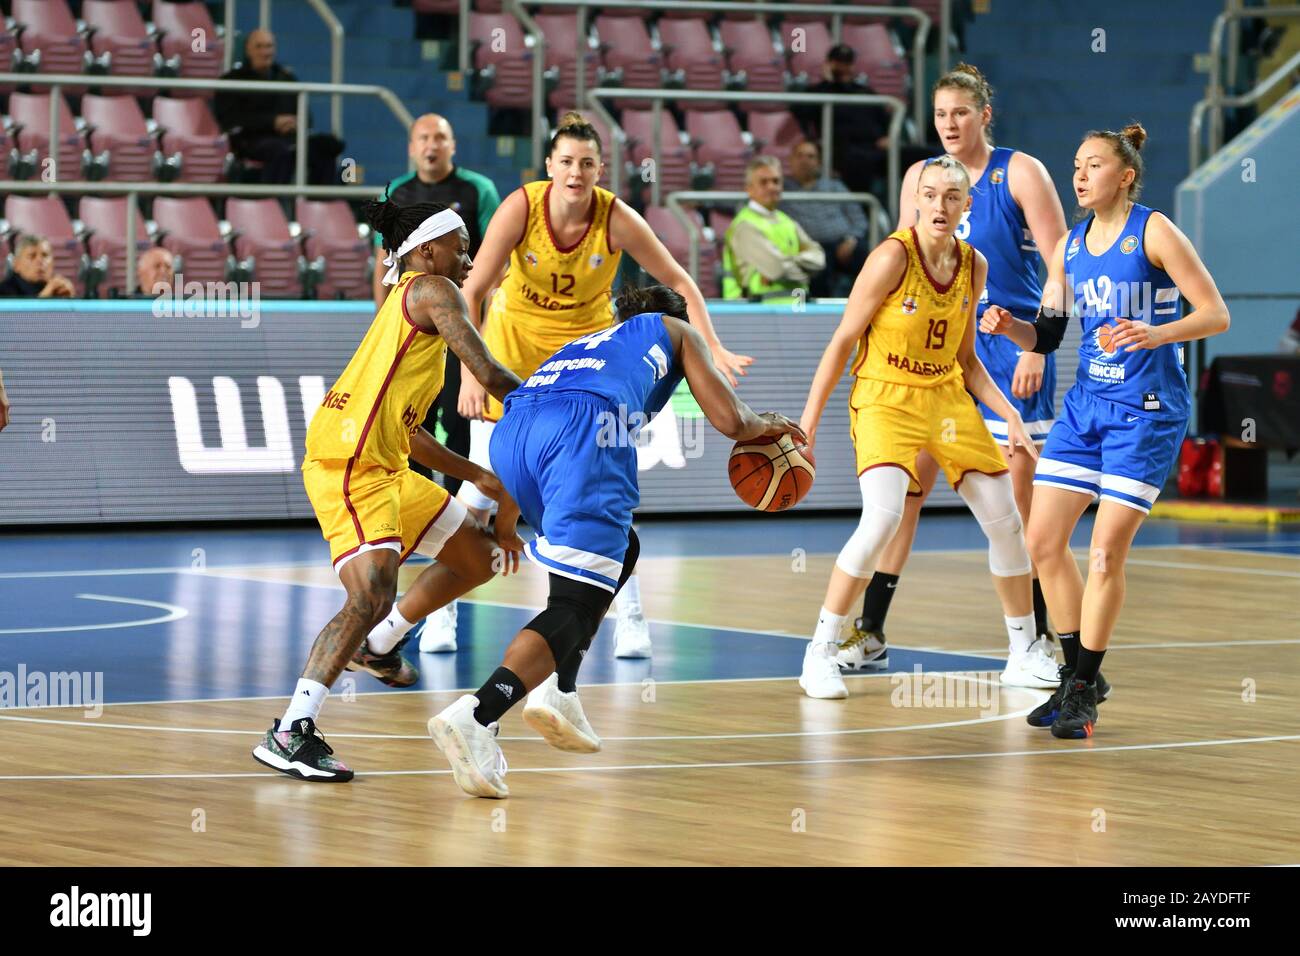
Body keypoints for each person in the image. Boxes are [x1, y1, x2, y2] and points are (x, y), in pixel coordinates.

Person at [427, 284, 804, 798]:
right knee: (575, 604)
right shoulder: (675, 330)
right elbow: (731, 420)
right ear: (676, 317)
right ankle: (479, 713)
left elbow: (537, 417)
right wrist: (770, 426)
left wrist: (507, 521)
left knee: (622, 548)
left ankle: (560, 689)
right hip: (583, 433)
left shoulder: (587, 343)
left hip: (515, 430)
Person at [416, 111, 751, 660]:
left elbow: (680, 281)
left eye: (587, 163)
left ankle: (632, 619)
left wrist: (711, 345)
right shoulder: (523, 206)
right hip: (511, 357)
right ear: (550, 167)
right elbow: (471, 291)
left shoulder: (616, 217)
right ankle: (440, 613)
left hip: (587, 368)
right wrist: (473, 373)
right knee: (481, 488)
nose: (576, 172)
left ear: (601, 169)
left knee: (605, 499)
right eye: (567, 162)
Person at [251, 196, 525, 783]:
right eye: (459, 242)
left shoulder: (410, 308)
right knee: (370, 590)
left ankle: (379, 644)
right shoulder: (434, 290)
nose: (469, 253)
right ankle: (290, 731)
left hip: (387, 463)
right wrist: (553, 401)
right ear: (427, 250)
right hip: (348, 462)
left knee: (475, 556)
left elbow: (409, 431)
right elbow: (490, 373)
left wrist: (474, 473)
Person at [981, 123, 1229, 738]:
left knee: (1104, 550)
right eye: (1075, 165)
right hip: (1086, 406)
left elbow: (1216, 314)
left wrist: (1157, 333)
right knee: (1042, 542)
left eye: (1093, 166)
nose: (1080, 176)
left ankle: (1083, 687)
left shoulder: (1155, 231)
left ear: (1125, 176)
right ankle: (1078, 672)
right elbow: (1049, 334)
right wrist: (1008, 326)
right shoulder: (1067, 247)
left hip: (1145, 409)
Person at [837, 63, 1066, 688]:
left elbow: (1060, 263)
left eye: (960, 113)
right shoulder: (920, 176)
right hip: (935, 352)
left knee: (1017, 506)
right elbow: (905, 256)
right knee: (904, 497)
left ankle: (1038, 642)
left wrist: (1040, 345)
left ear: (983, 115)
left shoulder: (1020, 172)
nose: (948, 124)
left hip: (1008, 348)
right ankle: (872, 631)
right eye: (939, 114)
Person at [796, 155, 1041, 701]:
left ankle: (1023, 652)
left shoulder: (974, 266)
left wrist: (1012, 417)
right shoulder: (890, 258)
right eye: (930, 195)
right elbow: (841, 342)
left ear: (966, 206)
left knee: (1005, 521)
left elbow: (968, 361)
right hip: (885, 397)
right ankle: (819, 651)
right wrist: (807, 425)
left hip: (947, 399)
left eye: (951, 197)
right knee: (882, 518)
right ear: (916, 202)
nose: (939, 205)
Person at [372, 114, 501, 516]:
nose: (432, 145)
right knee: (414, 417)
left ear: (452, 145)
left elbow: (495, 258)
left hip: (463, 320)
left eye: (440, 138)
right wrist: (384, 322)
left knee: (461, 413)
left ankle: (457, 507)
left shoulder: (478, 189)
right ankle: (419, 505)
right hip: (415, 326)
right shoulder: (399, 191)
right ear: (412, 147)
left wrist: (480, 314)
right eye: (424, 138)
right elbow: (383, 261)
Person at [793, 44, 932, 199]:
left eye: (848, 63)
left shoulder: (865, 92)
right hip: (843, 152)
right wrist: (828, 82)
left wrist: (887, 137)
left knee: (929, 157)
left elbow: (885, 121)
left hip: (876, 150)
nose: (844, 67)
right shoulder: (820, 92)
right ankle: (864, 214)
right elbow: (800, 111)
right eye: (839, 63)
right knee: (858, 162)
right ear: (829, 64)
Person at [213, 29, 344, 185]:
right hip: (251, 140)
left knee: (326, 147)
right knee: (281, 151)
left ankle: (319, 204)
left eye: (269, 46)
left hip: (289, 137)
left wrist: (294, 123)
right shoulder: (232, 80)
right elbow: (231, 119)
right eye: (259, 47)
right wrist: (273, 122)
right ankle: (275, 203)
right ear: (248, 50)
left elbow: (306, 117)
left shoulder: (286, 78)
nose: (265, 52)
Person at [722, 156, 826, 301]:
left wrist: (788, 263)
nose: (771, 187)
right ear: (749, 189)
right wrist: (807, 270)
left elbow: (819, 258)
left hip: (796, 309)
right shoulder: (744, 225)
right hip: (754, 314)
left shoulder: (787, 221)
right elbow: (777, 269)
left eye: (776, 181)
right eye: (763, 182)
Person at [781, 138, 870, 297]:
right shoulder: (780, 191)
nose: (805, 161)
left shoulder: (835, 187)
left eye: (810, 156)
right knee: (816, 263)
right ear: (791, 161)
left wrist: (851, 239)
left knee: (864, 252)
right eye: (800, 156)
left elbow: (859, 219)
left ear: (819, 162)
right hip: (807, 247)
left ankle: (869, 306)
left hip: (842, 243)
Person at [0, 235, 75, 298]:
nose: (40, 261)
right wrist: (44, 299)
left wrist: (71, 302)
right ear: (16, 265)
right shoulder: (4, 292)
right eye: (32, 256)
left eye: (45, 255)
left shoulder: (57, 287)